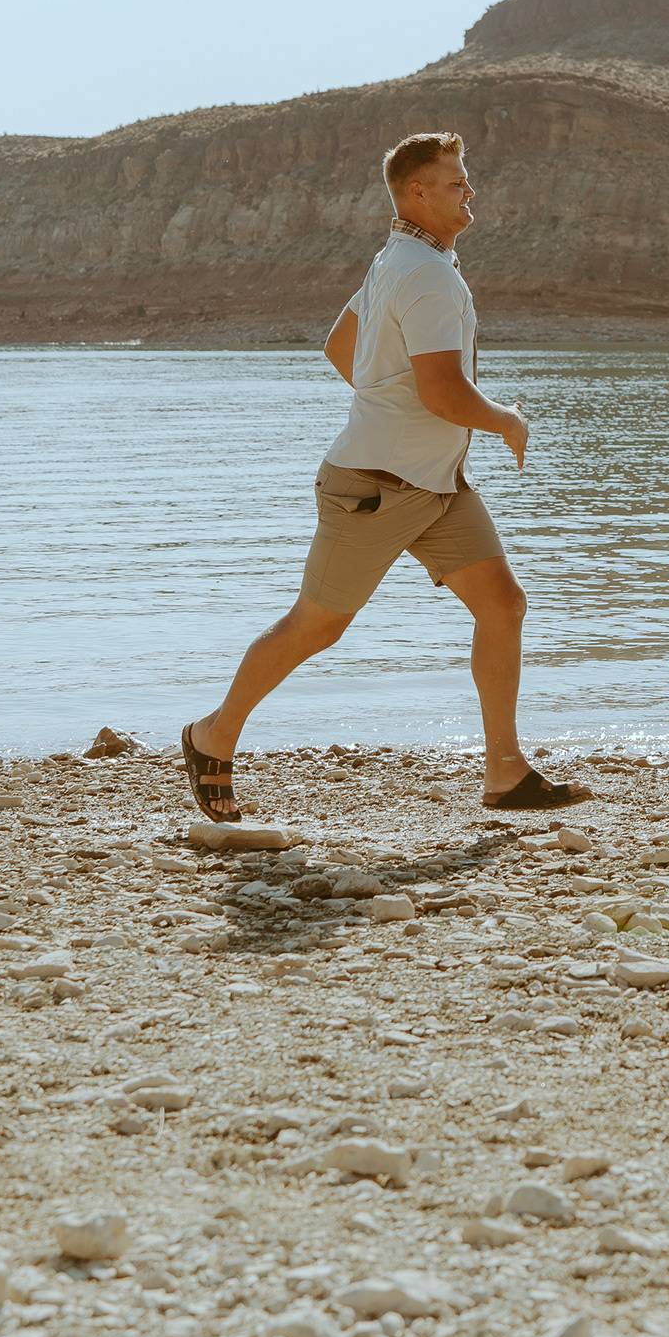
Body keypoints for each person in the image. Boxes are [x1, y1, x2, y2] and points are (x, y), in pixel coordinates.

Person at [178, 131, 591, 823]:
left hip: (436, 485)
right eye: (457, 181)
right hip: (374, 489)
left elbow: (342, 345)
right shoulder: (425, 274)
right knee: (316, 626)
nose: (470, 191)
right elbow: (444, 395)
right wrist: (507, 422)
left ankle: (506, 773)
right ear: (416, 193)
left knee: (502, 605)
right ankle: (211, 736)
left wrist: (385, 400)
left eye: (467, 179)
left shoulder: (401, 261)